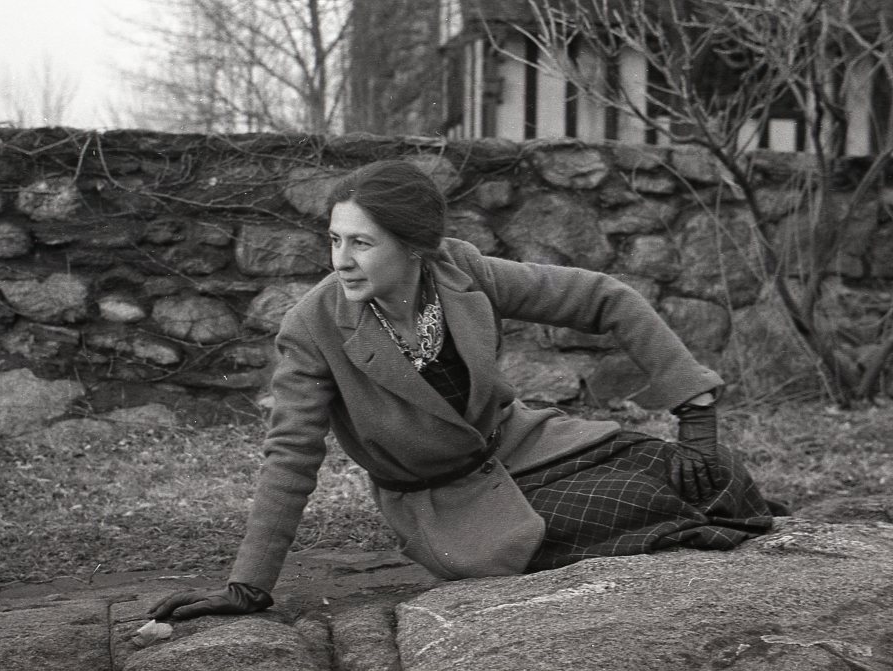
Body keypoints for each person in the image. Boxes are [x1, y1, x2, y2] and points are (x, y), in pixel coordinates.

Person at [149, 159, 776, 620]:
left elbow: (604, 297)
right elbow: (290, 457)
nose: (340, 260)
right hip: (446, 503)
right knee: (627, 509)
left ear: (413, 247)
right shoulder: (312, 327)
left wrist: (694, 412)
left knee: (714, 473)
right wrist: (248, 584)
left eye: (361, 243)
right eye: (335, 240)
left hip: (524, 449)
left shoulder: (459, 269)